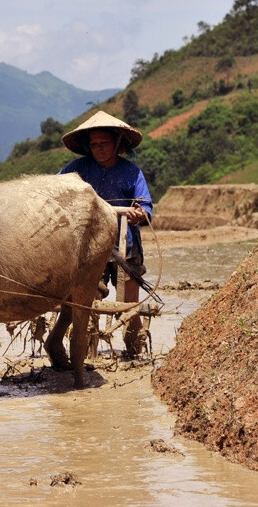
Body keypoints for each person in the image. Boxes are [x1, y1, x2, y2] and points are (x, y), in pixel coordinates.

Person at [58, 110, 153, 355]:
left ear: (117, 144)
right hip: (89, 248)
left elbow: (145, 206)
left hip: (126, 244)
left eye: (104, 143)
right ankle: (87, 356)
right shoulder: (76, 169)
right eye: (94, 144)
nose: (99, 148)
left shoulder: (132, 172)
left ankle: (134, 352)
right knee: (87, 306)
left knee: (129, 306)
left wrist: (139, 213)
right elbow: (56, 190)